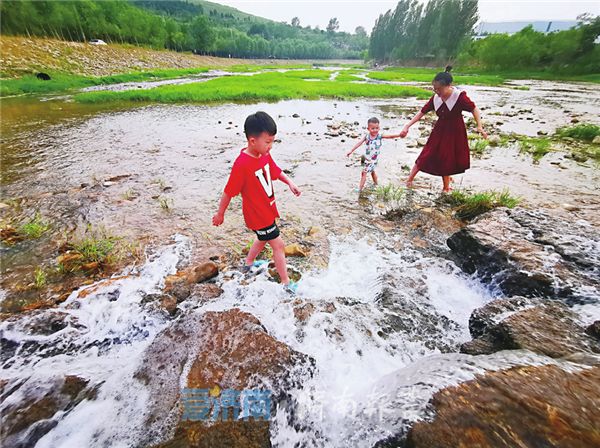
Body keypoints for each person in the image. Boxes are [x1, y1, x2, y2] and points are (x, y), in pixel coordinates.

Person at [212, 111, 301, 293]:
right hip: (257, 214)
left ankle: (248, 263)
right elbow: (229, 192)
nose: (271, 146)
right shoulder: (242, 164)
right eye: (268, 142)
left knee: (262, 239)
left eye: (272, 142)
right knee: (278, 245)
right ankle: (285, 283)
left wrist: (290, 182)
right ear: (253, 141)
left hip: (267, 210)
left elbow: (275, 171)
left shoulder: (264, 154)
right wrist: (220, 214)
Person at [400, 66, 487, 192]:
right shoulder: (436, 98)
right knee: (426, 154)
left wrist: (479, 126)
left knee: (446, 158)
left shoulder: (459, 97)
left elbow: (474, 109)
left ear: (448, 85)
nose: (437, 92)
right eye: (435, 89)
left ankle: (446, 188)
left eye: (439, 89)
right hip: (439, 130)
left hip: (454, 132)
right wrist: (407, 126)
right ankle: (409, 180)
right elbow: (422, 112)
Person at [346, 117, 402, 193]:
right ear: (368, 129)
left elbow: (390, 136)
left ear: (379, 127)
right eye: (373, 128)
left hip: (373, 160)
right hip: (367, 158)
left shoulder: (379, 136)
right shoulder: (367, 136)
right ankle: (376, 184)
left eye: (377, 128)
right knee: (372, 172)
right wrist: (351, 150)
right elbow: (359, 143)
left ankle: (360, 189)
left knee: (364, 172)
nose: (375, 130)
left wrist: (399, 135)